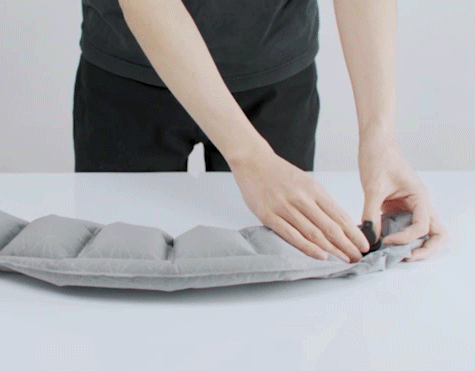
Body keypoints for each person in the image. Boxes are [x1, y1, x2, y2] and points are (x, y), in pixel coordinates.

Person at [73, 0, 447, 263]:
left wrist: (380, 138)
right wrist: (249, 156)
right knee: (118, 272)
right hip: (129, 72)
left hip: (276, 77)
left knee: (279, 295)